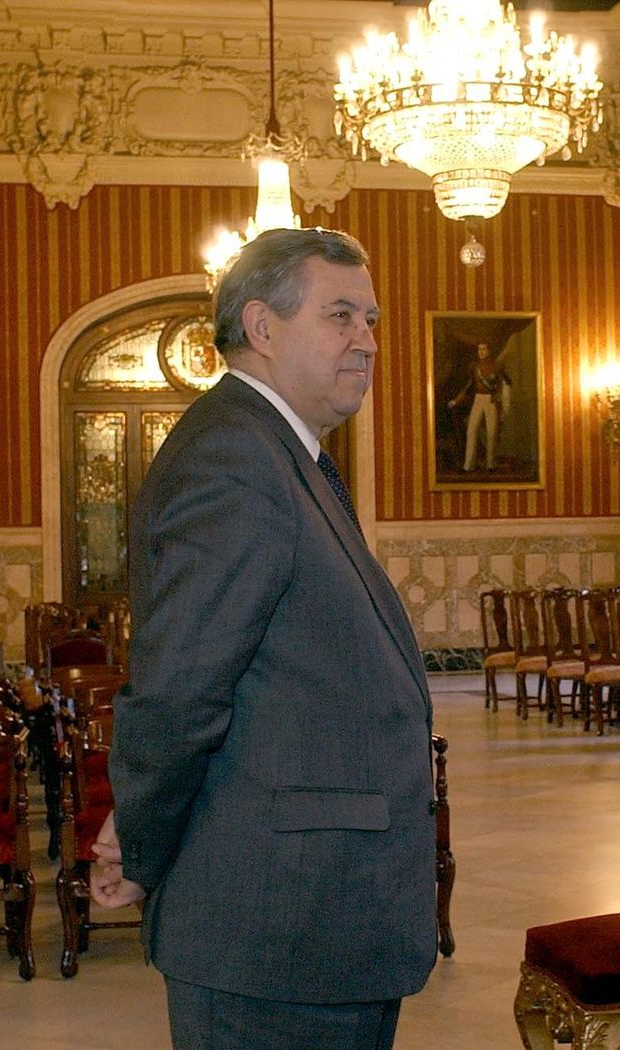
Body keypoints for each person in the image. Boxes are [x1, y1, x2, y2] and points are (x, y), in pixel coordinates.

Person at [92, 227, 437, 1050]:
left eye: (373, 318)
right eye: (342, 315)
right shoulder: (236, 457)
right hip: (277, 922)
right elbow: (181, 686)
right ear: (263, 326)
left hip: (319, 915)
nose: (368, 340)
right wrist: (140, 838)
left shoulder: (282, 452)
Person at [449, 342, 511, 471]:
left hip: (491, 400)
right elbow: (468, 386)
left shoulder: (497, 366)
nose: (481, 352)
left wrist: (504, 403)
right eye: (479, 350)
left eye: (483, 349)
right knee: (471, 430)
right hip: (478, 399)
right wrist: (456, 401)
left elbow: (506, 384)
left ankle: (490, 465)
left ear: (488, 351)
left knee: (491, 433)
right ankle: (468, 466)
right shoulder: (475, 367)